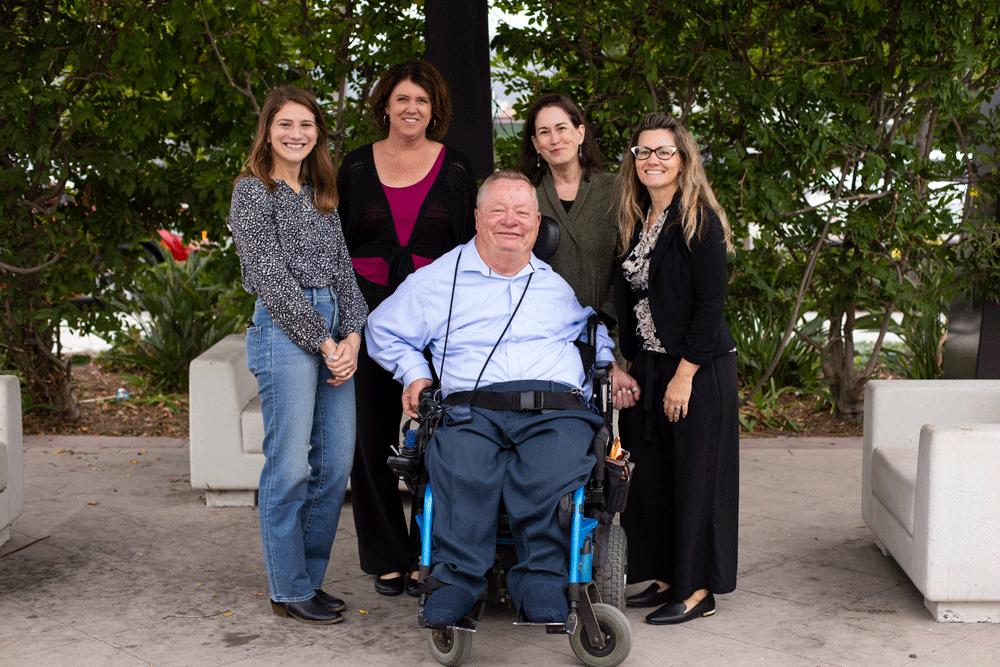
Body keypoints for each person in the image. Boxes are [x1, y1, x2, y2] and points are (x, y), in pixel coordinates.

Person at [366, 170, 639, 627]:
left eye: (522, 213)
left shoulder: (554, 285)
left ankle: (541, 581)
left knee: (552, 471)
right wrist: (414, 374)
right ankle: (456, 581)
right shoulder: (439, 280)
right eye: (498, 210)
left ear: (537, 224)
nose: (510, 221)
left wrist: (609, 363)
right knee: (462, 468)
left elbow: (589, 334)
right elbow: (382, 329)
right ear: (477, 218)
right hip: (472, 406)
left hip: (556, 408)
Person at [337, 60, 477, 598]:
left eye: (421, 100)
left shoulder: (458, 168)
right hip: (365, 321)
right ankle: (387, 557)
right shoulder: (354, 167)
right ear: (385, 106)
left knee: (441, 441)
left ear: (434, 108)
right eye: (401, 99)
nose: (411, 108)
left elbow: (470, 252)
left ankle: (432, 551)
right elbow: (337, 250)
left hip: (438, 322)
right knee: (369, 439)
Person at [229, 86, 368, 625]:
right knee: (288, 467)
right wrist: (324, 339)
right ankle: (288, 589)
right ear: (267, 130)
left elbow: (342, 268)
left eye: (306, 125)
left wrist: (353, 334)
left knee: (335, 465)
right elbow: (268, 275)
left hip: (334, 324)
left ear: (318, 134)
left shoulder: (319, 190)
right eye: (285, 124)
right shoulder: (252, 192)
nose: (296, 134)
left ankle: (307, 579)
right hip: (285, 332)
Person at [613, 112, 739, 625]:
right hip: (649, 364)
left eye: (664, 151)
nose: (652, 161)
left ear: (683, 159)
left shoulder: (699, 220)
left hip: (698, 368)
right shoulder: (637, 218)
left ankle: (696, 589)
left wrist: (685, 374)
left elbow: (711, 307)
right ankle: (666, 574)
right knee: (654, 477)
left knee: (695, 478)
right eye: (643, 152)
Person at [519, 94, 618, 334]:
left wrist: (608, 318)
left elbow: (633, 261)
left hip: (607, 333)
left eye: (561, 128)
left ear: (580, 133)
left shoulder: (616, 189)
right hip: (542, 334)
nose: (554, 139)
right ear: (535, 143)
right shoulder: (524, 194)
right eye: (544, 132)